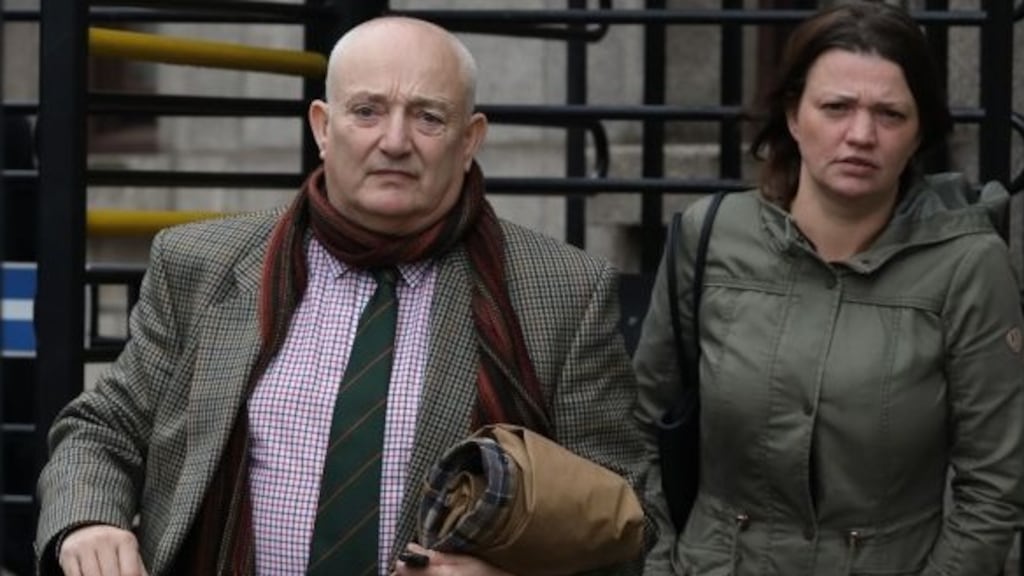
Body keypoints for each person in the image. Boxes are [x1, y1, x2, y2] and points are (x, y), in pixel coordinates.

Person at [36, 16, 647, 576]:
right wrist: (89, 519)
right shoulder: (202, 264)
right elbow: (103, 427)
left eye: (429, 116)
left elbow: (628, 513)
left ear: (470, 140)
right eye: (368, 111)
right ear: (323, 128)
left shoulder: (563, 293)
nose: (396, 140)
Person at [634, 2, 1024, 575]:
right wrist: (658, 565)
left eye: (890, 114)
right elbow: (636, 427)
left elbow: (993, 487)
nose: (861, 134)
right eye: (837, 107)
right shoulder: (709, 236)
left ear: (919, 133)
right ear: (794, 116)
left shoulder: (968, 264)